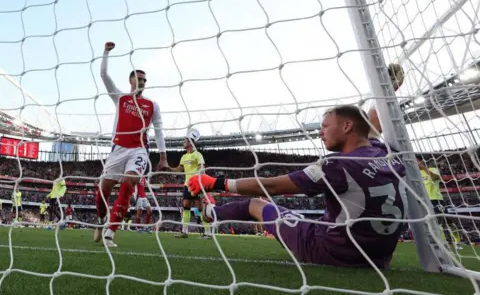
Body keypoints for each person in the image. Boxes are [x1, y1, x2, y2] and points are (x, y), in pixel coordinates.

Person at [188, 105, 407, 269]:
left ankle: (210, 213)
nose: (320, 132)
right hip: (379, 259)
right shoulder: (385, 152)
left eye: (325, 127)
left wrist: (216, 183)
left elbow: (272, 186)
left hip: (332, 252)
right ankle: (210, 213)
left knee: (256, 205)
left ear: (347, 126)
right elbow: (372, 123)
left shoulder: (336, 165)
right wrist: (386, 87)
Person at [94, 41, 168, 247]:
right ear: (131, 80)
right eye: (139, 78)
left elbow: (159, 130)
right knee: (101, 195)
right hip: (118, 150)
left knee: (128, 185)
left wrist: (163, 157)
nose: (142, 82)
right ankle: (101, 221)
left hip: (139, 150)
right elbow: (103, 75)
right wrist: (105, 52)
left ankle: (110, 232)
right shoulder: (120, 98)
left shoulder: (152, 105)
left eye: (145, 79)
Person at [167, 130, 209, 238]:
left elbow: (202, 168)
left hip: (197, 184)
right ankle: (184, 232)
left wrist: (197, 179)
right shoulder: (183, 157)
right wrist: (168, 169)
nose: (183, 142)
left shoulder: (197, 154)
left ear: (190, 142)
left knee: (200, 208)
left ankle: (208, 232)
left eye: (185, 140)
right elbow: (179, 169)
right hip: (187, 185)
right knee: (186, 206)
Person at [419, 158, 463, 250]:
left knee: (447, 222)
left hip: (436, 199)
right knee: (434, 222)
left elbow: (435, 178)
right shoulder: (416, 174)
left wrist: (423, 168)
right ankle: (441, 243)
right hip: (424, 200)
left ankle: (457, 241)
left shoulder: (432, 169)